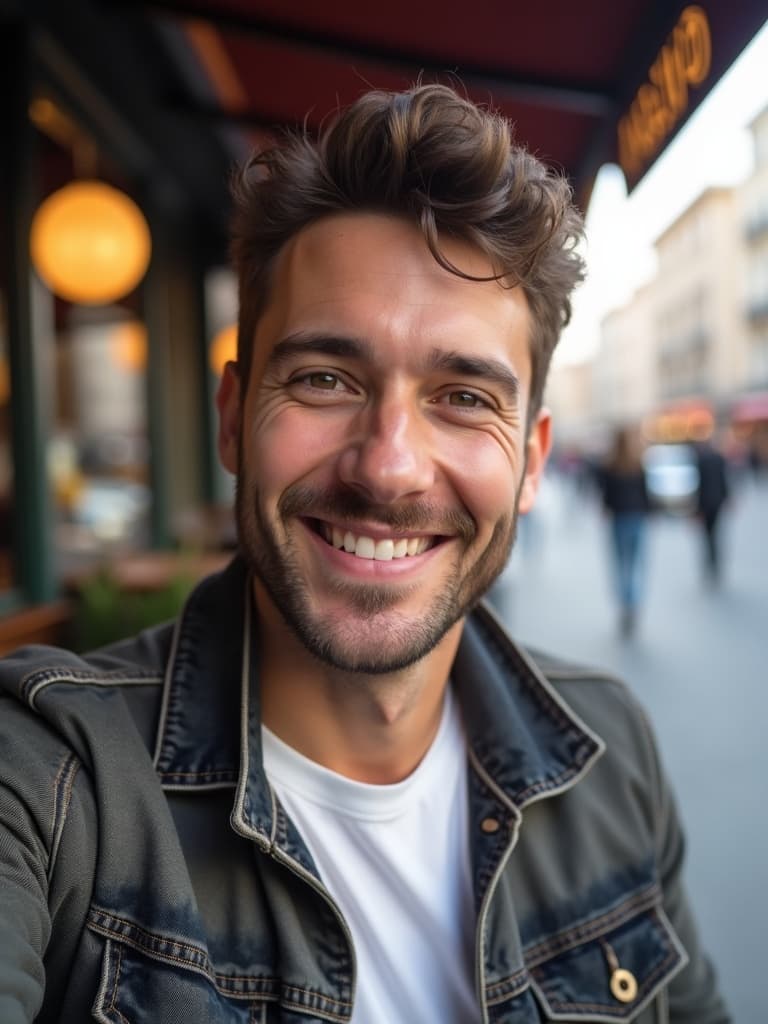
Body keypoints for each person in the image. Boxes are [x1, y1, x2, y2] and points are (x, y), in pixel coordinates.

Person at [0, 85, 729, 1023]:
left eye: (463, 396)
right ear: (232, 421)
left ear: (533, 462)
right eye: (324, 379)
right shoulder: (53, 786)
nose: (388, 467)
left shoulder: (609, 751)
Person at [598, 426, 651, 636]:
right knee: (637, 564)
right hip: (637, 519)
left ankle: (624, 603)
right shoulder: (639, 464)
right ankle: (633, 602)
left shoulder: (609, 465)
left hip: (618, 520)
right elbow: (646, 495)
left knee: (620, 565)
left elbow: (605, 496)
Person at [694, 437, 729, 582]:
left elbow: (700, 485)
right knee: (715, 534)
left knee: (708, 536)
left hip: (705, 503)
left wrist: (697, 508)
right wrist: (726, 497)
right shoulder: (718, 458)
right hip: (717, 501)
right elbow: (723, 480)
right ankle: (715, 563)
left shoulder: (701, 460)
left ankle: (710, 562)